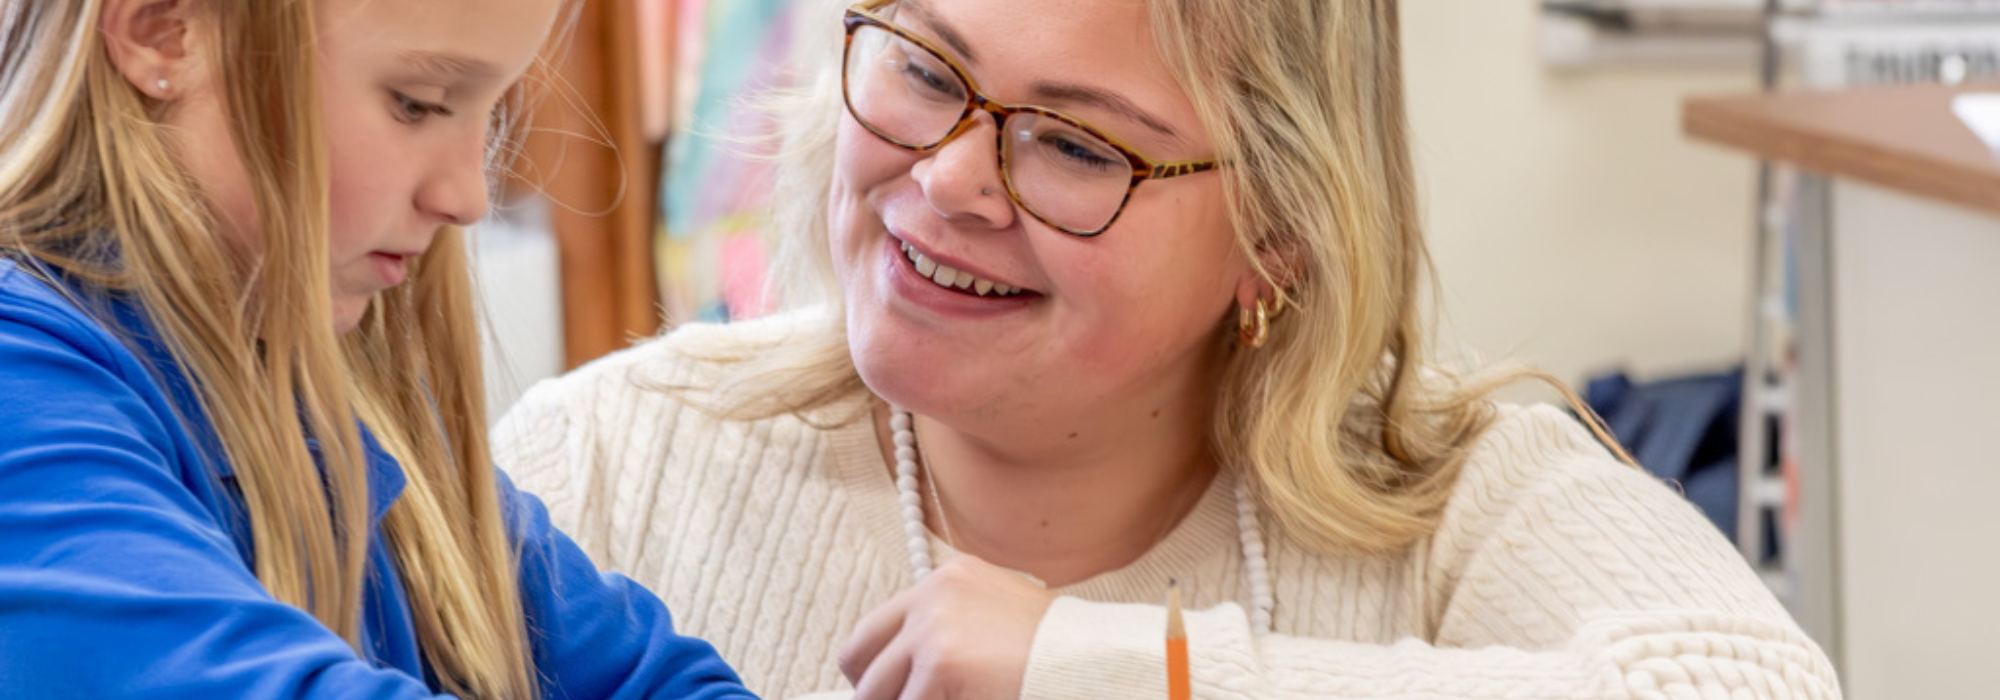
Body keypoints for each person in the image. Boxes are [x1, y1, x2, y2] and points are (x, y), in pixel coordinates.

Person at [493, 0, 1843, 697]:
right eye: (923, 69)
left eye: (1076, 146)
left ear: (1279, 232)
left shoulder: (1451, 504)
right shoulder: (606, 463)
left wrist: (1118, 674)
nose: (950, 179)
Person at [0, 0, 758, 697]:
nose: (468, 198)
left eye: (492, 114)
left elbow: (656, 679)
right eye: (416, 103)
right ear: (162, 30)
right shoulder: (21, 388)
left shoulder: (353, 409)